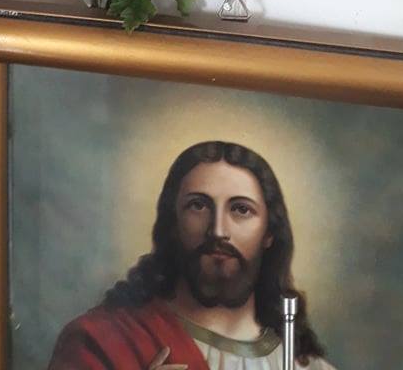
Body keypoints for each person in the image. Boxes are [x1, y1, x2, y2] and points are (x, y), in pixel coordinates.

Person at [48, 141, 336, 370]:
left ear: (269, 233)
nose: (218, 231)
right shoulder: (102, 342)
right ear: (173, 223)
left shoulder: (309, 368)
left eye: (241, 209)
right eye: (198, 206)